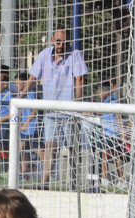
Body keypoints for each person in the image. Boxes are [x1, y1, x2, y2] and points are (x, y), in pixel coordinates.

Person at [25, 28, 88, 186]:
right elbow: (33, 77)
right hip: (51, 111)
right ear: (53, 40)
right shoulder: (44, 55)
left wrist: (77, 102)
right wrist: (22, 94)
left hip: (69, 111)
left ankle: (74, 181)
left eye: (65, 42)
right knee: (50, 147)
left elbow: (79, 79)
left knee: (72, 147)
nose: (61, 45)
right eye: (58, 41)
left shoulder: (75, 54)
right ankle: (45, 181)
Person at [96, 81, 125, 187]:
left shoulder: (114, 103)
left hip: (114, 134)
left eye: (100, 92)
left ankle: (119, 180)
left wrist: (122, 135)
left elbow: (119, 118)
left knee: (115, 157)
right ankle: (106, 179)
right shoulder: (104, 103)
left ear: (106, 91)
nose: (99, 95)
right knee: (105, 156)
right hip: (106, 134)